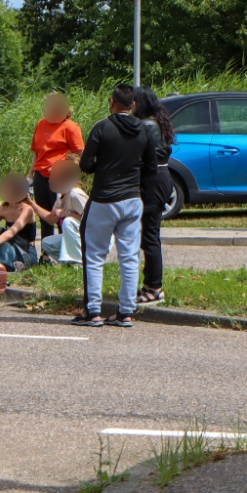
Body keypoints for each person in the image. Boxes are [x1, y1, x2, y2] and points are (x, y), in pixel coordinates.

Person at [73, 84, 157, 328]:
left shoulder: (102, 127)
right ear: (133, 106)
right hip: (132, 201)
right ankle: (125, 312)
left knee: (95, 256)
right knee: (129, 257)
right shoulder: (144, 130)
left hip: (104, 200)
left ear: (111, 102)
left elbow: (86, 164)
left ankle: (93, 312)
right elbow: (151, 168)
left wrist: (107, 168)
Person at [133, 86, 174, 304]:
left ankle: (154, 287)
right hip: (161, 177)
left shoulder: (146, 125)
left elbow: (139, 156)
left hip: (152, 181)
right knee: (149, 234)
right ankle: (149, 284)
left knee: (149, 236)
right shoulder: (157, 122)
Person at [30, 92, 84, 239]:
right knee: (45, 214)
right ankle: (46, 254)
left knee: (61, 216)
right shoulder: (41, 124)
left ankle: (64, 250)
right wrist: (30, 174)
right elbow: (36, 152)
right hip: (40, 176)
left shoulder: (70, 127)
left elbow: (79, 153)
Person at [32, 155, 88, 266]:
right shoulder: (61, 195)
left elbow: (92, 220)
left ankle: (78, 263)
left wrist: (67, 213)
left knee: (68, 222)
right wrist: (30, 203)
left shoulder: (75, 194)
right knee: (47, 243)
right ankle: (69, 263)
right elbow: (50, 219)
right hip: (79, 235)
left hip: (94, 238)